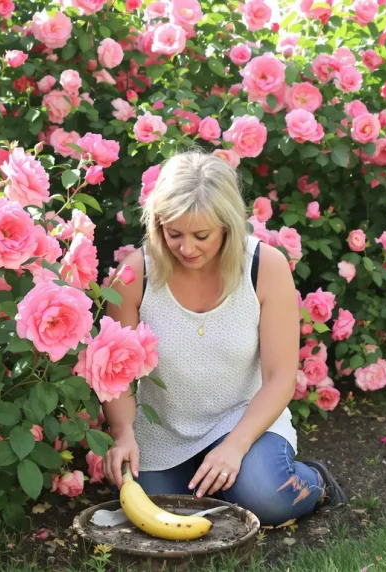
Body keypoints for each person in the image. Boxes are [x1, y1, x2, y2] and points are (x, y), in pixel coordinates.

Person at [102, 150, 348, 526]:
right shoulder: (137, 274)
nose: (186, 248)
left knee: (265, 499)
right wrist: (122, 433)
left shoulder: (265, 267)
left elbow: (281, 376)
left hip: (244, 421)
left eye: (202, 235)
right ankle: (223, 483)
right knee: (156, 511)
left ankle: (315, 481)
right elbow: (115, 373)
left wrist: (235, 446)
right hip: (164, 433)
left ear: (228, 226)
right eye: (173, 234)